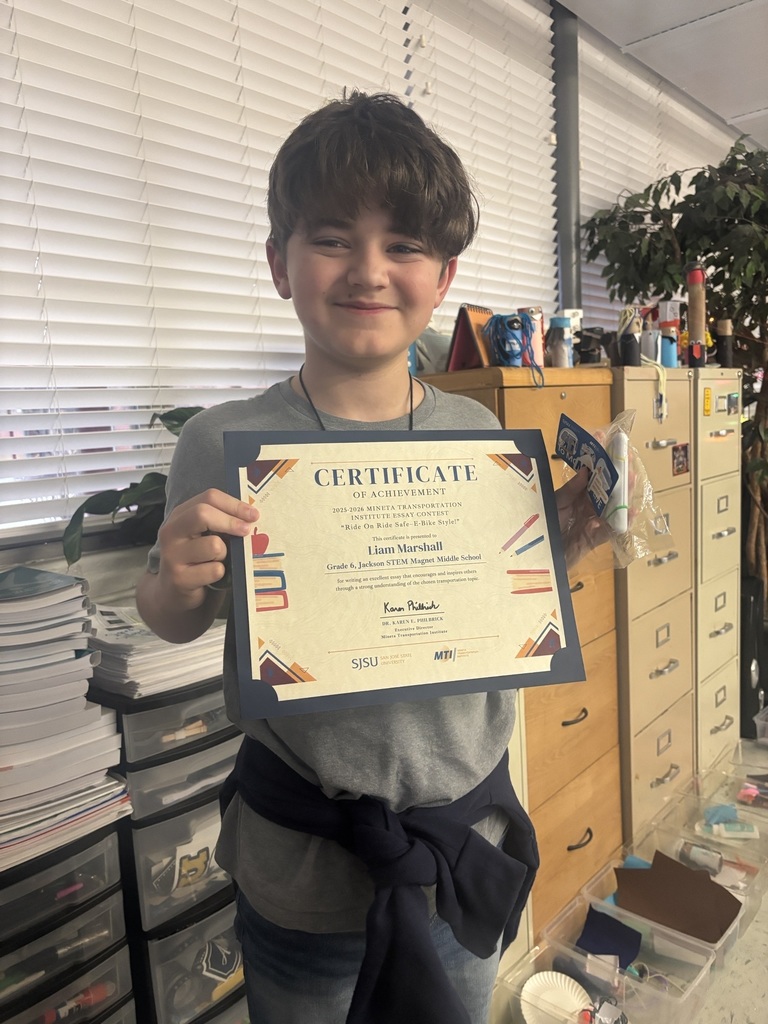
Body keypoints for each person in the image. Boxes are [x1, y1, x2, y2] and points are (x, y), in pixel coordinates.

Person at [136, 91, 602, 1024]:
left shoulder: (476, 435)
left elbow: (504, 613)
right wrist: (171, 584)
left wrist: (555, 553)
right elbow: (181, 613)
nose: (369, 272)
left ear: (444, 274)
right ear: (280, 263)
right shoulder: (225, 440)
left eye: (405, 247)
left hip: (459, 853)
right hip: (304, 867)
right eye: (333, 238)